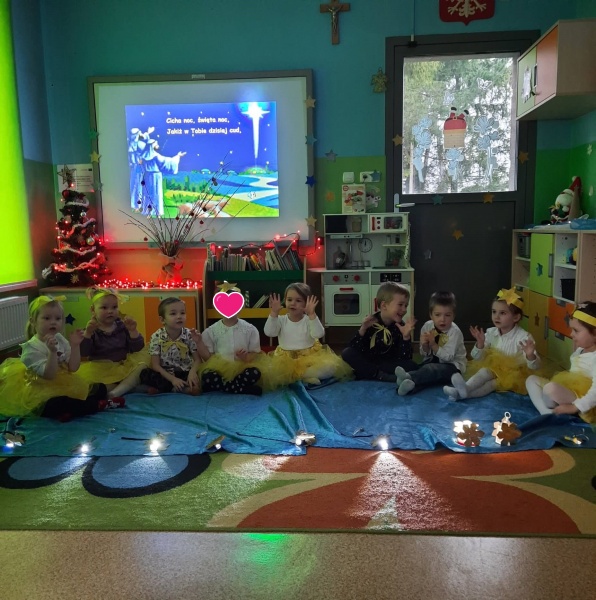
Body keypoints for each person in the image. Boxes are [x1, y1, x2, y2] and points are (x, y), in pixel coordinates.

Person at [0, 296, 108, 420]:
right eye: (47, 318)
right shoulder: (31, 348)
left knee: (99, 388)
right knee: (56, 403)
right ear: (33, 321)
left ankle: (73, 410)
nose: (53, 322)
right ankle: (93, 405)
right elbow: (49, 375)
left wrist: (75, 346)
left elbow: (73, 368)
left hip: (65, 383)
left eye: (58, 318)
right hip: (41, 391)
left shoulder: (60, 339)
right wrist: (52, 352)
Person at [443, 287, 540, 400]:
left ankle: (461, 394)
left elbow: (536, 367)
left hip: (513, 375)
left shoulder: (524, 338)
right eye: (494, 312)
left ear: (516, 317)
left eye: (502, 313)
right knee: (484, 372)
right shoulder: (490, 333)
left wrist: (530, 355)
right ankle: (465, 388)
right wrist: (480, 344)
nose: (496, 316)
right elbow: (477, 358)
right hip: (492, 369)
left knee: (492, 384)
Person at [264, 282, 352, 385]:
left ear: (306, 303)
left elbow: (319, 334)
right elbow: (269, 332)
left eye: (298, 300)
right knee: (270, 372)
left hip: (309, 359)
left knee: (330, 367)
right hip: (285, 360)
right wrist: (274, 313)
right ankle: (303, 376)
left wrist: (312, 314)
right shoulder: (281, 320)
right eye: (289, 300)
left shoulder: (308, 319)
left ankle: (300, 376)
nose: (293, 303)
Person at [78, 286, 150, 405]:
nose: (110, 311)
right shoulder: (92, 330)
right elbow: (83, 353)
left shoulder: (122, 326)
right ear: (93, 310)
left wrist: (133, 331)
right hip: (101, 371)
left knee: (142, 364)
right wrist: (88, 334)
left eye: (114, 307)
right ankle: (128, 389)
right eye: (104, 308)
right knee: (93, 387)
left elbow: (138, 349)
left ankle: (115, 393)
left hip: (124, 367)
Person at [526, 301, 596, 423]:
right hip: (570, 392)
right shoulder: (580, 350)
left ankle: (569, 411)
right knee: (531, 380)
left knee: (550, 389)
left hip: (585, 401)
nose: (571, 334)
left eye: (576, 330)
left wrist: (575, 407)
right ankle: (546, 412)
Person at [341, 282, 417, 381]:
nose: (404, 309)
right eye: (400, 305)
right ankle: (380, 375)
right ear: (384, 305)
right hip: (369, 361)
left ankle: (371, 373)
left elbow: (405, 358)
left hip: (387, 364)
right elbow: (355, 347)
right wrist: (362, 330)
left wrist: (406, 338)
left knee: (412, 365)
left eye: (406, 306)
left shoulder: (401, 327)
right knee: (347, 353)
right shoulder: (371, 322)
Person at [395, 291, 467, 396]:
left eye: (447, 315)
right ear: (431, 315)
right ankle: (407, 388)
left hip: (453, 367)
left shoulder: (455, 332)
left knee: (430, 370)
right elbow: (424, 354)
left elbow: (448, 358)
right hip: (432, 362)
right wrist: (425, 346)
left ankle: (408, 377)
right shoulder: (427, 326)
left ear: (453, 316)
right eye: (437, 315)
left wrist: (433, 345)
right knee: (423, 371)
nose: (442, 319)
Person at [195, 304, 264, 395]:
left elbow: (255, 353)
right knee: (207, 375)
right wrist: (199, 342)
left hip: (242, 369)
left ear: (240, 307)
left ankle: (223, 387)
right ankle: (243, 389)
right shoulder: (211, 331)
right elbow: (208, 358)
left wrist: (245, 357)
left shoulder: (250, 329)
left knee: (254, 373)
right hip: (219, 370)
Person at [139, 297, 201, 394]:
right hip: (165, 374)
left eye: (182, 313)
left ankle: (171, 388)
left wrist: (192, 373)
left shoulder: (189, 334)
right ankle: (178, 388)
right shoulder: (156, 336)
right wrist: (173, 379)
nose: (179, 317)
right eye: (173, 314)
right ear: (162, 320)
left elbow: (197, 360)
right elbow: (155, 365)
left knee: (199, 378)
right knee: (145, 374)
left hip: (184, 372)